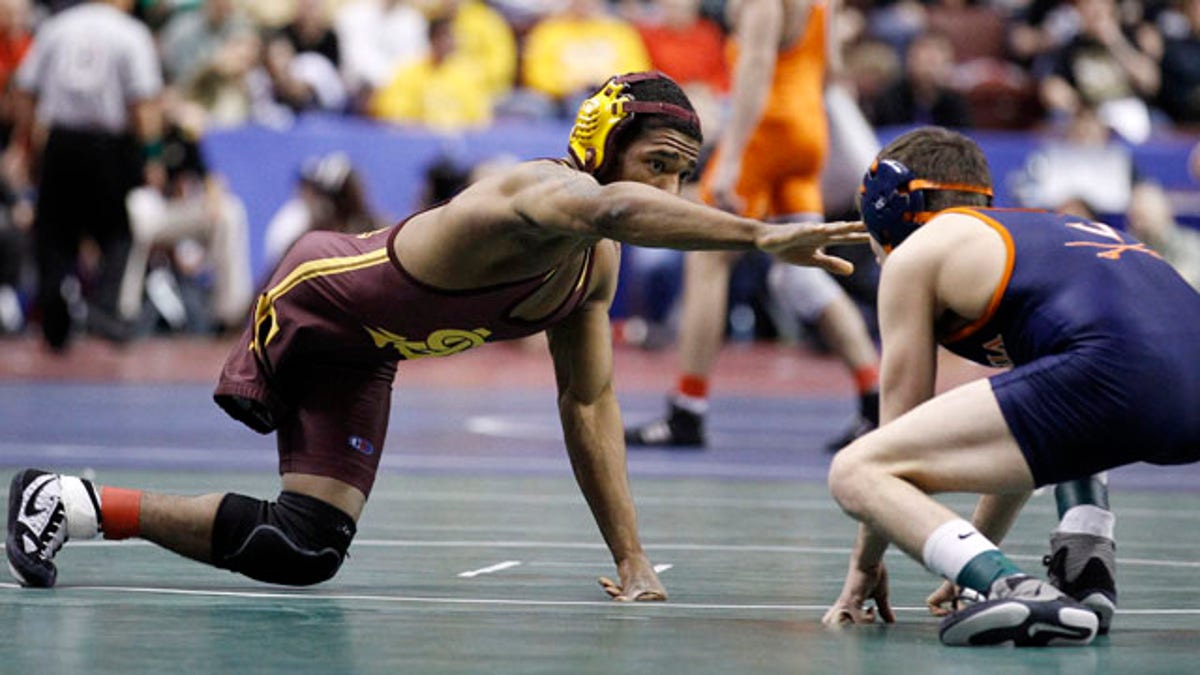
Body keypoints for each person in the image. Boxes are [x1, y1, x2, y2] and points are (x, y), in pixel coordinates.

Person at [6, 72, 867, 597]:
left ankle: (64, 504)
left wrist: (634, 558)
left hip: (370, 346)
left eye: (685, 176)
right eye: (659, 169)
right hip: (316, 295)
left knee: (303, 549)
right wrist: (755, 234)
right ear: (601, 145)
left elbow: (590, 401)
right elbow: (609, 206)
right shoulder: (539, 193)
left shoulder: (591, 269)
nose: (674, 195)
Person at [821, 126, 1200, 646]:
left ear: (885, 209)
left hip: (1115, 370)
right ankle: (1084, 566)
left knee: (853, 468)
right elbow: (1030, 420)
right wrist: (970, 555)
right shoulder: (1049, 230)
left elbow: (894, 436)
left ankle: (1011, 587)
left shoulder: (919, 253)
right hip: (1177, 391)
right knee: (1067, 393)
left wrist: (867, 563)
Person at [624, 0, 881, 451]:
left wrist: (734, 156)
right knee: (799, 274)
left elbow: (756, 68)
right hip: (808, 133)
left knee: (707, 260)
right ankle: (875, 399)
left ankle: (688, 409)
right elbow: (831, 70)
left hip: (766, 133)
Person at [6, 0, 164, 350]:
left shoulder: (56, 28)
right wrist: (151, 157)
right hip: (107, 145)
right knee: (117, 233)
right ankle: (105, 309)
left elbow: (26, 90)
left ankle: (55, 309)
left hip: (61, 142)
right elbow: (144, 101)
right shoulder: (130, 33)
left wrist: (29, 145)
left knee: (54, 232)